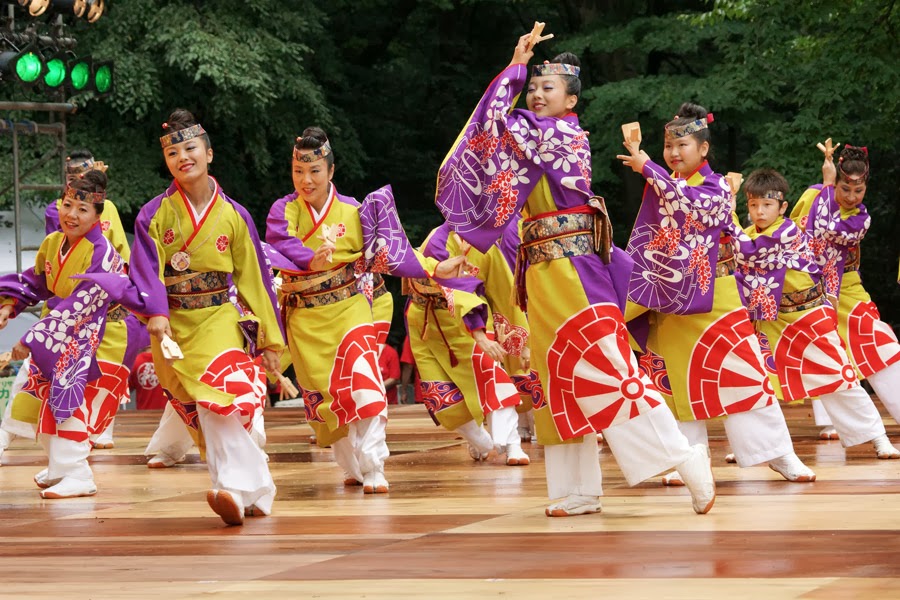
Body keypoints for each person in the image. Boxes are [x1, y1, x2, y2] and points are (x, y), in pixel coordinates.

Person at [434, 33, 715, 517]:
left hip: (576, 269)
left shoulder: (560, 135)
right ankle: (578, 489)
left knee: (609, 367)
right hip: (542, 272)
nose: (537, 94)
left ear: (572, 100)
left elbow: (494, 124)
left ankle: (684, 457)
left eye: (548, 87)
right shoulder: (536, 137)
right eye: (533, 87)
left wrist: (515, 70)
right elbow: (498, 170)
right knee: (557, 377)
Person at [618, 103, 816, 485]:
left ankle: (777, 454)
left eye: (683, 145)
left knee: (745, 372)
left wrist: (648, 168)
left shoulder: (716, 187)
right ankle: (688, 462)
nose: (674, 153)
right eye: (669, 146)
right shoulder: (664, 185)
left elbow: (692, 205)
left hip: (717, 294)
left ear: (704, 149)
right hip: (674, 296)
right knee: (677, 381)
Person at [120, 109, 285, 525]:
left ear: (209, 153)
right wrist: (156, 312)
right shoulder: (154, 214)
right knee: (205, 412)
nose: (183, 158)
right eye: (173, 153)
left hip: (219, 320)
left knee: (219, 399)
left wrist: (270, 340)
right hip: (173, 327)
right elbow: (145, 270)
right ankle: (254, 492)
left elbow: (256, 281)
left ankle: (231, 489)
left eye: (190, 148)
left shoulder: (234, 215)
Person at [266, 127, 453, 493]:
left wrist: (434, 267)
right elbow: (280, 241)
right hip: (305, 320)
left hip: (350, 311)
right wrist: (310, 259)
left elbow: (391, 250)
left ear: (331, 171)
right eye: (298, 171)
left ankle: (374, 465)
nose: (306, 180)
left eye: (314, 171)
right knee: (327, 400)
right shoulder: (284, 210)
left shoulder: (354, 210)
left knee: (364, 384)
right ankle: (352, 466)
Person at [731, 167, 898, 458]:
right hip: (770, 320)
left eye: (767, 204)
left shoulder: (786, 232)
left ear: (783, 207)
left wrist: (726, 212)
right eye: (754, 205)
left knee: (840, 376)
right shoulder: (747, 234)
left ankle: (878, 437)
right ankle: (758, 446)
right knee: (754, 381)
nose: (760, 211)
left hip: (808, 315)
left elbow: (750, 251)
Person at [0, 170, 138, 498]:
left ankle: (77, 473)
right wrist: (10, 303)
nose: (71, 215)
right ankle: (60, 468)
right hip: (67, 333)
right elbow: (36, 282)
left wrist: (30, 340)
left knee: (69, 399)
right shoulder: (53, 243)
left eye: (82, 209)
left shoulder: (103, 253)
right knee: (31, 394)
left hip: (102, 335)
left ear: (98, 216)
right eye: (67, 205)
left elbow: (81, 304)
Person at [790, 145, 900, 430]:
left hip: (846, 285)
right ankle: (831, 423)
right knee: (822, 348)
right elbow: (794, 231)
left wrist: (828, 187)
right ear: (837, 181)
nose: (851, 197)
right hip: (807, 284)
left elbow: (826, 229)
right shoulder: (812, 195)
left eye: (858, 190)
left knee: (878, 339)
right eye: (845, 188)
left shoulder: (860, 219)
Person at [405, 222, 529, 465]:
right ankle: (481, 441)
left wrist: (522, 342)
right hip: (431, 324)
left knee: (494, 378)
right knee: (442, 397)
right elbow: (453, 287)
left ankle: (512, 444)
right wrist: (479, 336)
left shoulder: (488, 247)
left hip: (474, 320)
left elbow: (503, 291)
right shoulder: (437, 240)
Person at [129, 346, 168, 410]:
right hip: (168, 413)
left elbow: (124, 391)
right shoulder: (170, 359)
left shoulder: (134, 361)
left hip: (144, 413)